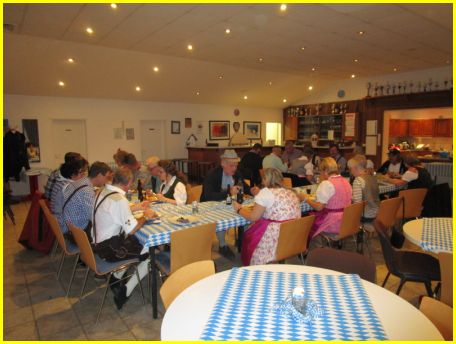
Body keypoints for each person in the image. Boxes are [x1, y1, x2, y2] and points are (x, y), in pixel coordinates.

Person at [93, 167, 156, 310]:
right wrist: (146, 216)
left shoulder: (103, 191)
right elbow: (132, 229)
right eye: (131, 184)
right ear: (127, 183)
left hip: (98, 244)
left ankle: (116, 277)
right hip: (109, 249)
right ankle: (125, 291)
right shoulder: (119, 200)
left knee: (138, 242)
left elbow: (115, 211)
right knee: (150, 252)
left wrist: (138, 207)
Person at [232, 168, 301, 266]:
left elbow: (253, 217)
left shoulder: (265, 193)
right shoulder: (291, 192)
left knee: (249, 235)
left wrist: (239, 209)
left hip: (275, 238)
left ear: (265, 179)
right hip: (293, 236)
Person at [201, 149, 253, 260]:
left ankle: (244, 241)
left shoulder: (236, 173)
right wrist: (229, 192)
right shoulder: (212, 175)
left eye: (236, 165)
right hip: (211, 206)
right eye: (231, 166)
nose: (234, 168)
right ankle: (222, 245)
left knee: (246, 214)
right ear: (223, 164)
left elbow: (244, 187)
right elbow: (209, 196)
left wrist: (253, 190)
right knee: (221, 219)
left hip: (229, 204)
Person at [299, 157, 352, 239]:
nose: (320, 174)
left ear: (326, 170)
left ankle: (312, 248)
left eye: (321, 171)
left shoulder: (327, 184)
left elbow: (319, 207)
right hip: (346, 220)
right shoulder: (346, 181)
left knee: (305, 224)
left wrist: (305, 199)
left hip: (333, 223)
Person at [60, 161, 113, 238]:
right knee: (111, 227)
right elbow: (94, 217)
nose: (107, 180)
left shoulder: (79, 182)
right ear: (100, 175)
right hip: (77, 232)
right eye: (107, 177)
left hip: (68, 224)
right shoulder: (87, 191)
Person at [348, 155, 380, 223]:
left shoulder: (358, 180)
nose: (350, 171)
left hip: (367, 215)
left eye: (350, 168)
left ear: (355, 168)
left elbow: (357, 204)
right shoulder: (373, 177)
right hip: (378, 211)